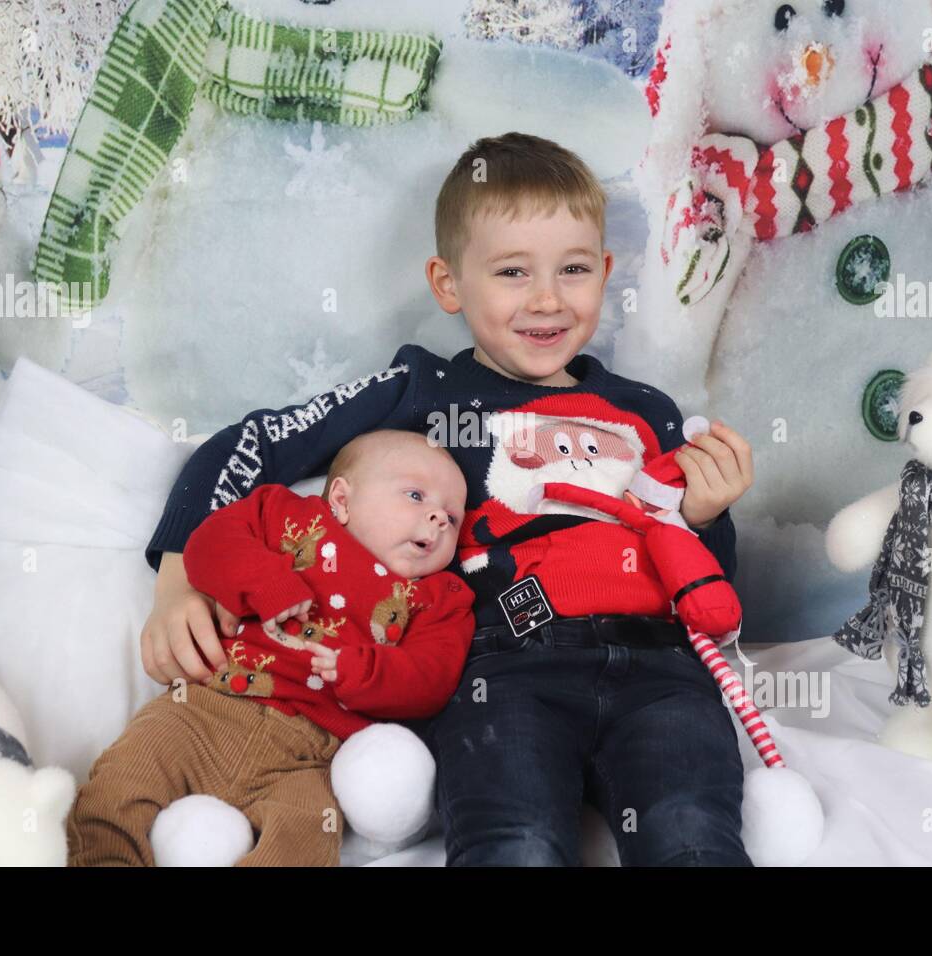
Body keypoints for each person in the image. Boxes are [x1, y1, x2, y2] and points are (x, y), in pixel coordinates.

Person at [141, 131, 756, 866]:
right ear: (448, 283)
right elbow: (252, 444)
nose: (547, 299)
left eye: (574, 269)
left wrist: (706, 516)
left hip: (659, 672)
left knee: (692, 832)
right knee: (516, 842)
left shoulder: (645, 409)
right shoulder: (424, 391)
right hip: (506, 670)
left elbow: (708, 581)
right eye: (511, 272)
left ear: (606, 272)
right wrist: (177, 579)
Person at [68, 429, 475, 866]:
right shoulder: (285, 514)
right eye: (416, 495)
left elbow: (432, 677)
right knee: (123, 781)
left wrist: (368, 671)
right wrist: (267, 584)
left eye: (452, 518)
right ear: (341, 499)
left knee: (307, 838)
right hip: (206, 707)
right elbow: (210, 543)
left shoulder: (439, 597)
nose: (437, 518)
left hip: (312, 755)